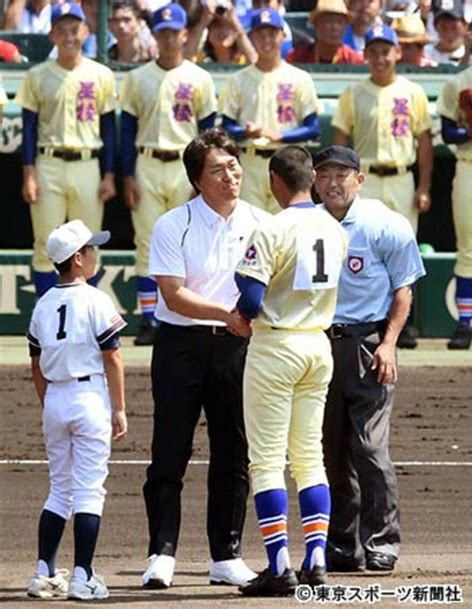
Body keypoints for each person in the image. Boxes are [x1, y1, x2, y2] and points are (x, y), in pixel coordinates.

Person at [142, 128, 268, 590]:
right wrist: (225, 314)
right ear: (197, 179)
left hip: (237, 348)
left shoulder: (259, 221)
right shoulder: (173, 223)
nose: (230, 175)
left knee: (234, 450)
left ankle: (226, 554)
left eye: (234, 165)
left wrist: (241, 322)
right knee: (170, 450)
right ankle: (161, 552)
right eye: (217, 170)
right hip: (181, 345)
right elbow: (173, 296)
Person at [233, 146, 347, 597]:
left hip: (276, 344)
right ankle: (316, 557)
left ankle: (279, 564)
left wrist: (241, 314)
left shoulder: (271, 225)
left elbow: (249, 299)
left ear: (275, 181)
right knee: (309, 458)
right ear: (313, 180)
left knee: (266, 462)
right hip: (318, 343)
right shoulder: (334, 228)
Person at [313, 145, 425, 574]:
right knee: (331, 449)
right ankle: (343, 542)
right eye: (324, 174)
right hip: (319, 344)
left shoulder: (385, 223)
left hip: (368, 343)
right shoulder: (306, 223)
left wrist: (390, 342)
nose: (333, 182)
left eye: (342, 174)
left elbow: (404, 289)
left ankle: (382, 540)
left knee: (369, 446)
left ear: (359, 180)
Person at [26, 219, 127, 601]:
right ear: (79, 259)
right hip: (89, 399)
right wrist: (119, 407)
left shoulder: (43, 305)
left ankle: (44, 572)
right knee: (88, 492)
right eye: (91, 249)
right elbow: (113, 356)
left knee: (59, 490)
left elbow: (35, 365)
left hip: (55, 398)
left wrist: (50, 403)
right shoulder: (97, 299)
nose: (95, 253)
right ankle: (83, 576)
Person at [120, 2, 217, 345]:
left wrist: (202, 177)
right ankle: (150, 319)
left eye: (174, 32)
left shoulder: (200, 78)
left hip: (184, 164)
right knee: (146, 241)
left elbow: (208, 135)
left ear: (185, 34)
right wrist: (127, 175)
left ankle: (184, 314)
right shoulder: (136, 77)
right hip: (147, 161)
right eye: (162, 32)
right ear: (155, 36)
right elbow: (127, 130)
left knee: (188, 242)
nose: (169, 38)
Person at [332, 24, 432, 349]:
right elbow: (340, 141)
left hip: (402, 175)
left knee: (403, 250)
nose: (380, 57)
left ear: (398, 52)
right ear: (365, 55)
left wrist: (425, 186)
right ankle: (365, 318)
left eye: (385, 50)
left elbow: (425, 142)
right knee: (358, 248)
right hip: (365, 178)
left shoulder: (412, 91)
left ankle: (403, 324)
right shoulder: (353, 92)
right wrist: (339, 181)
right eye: (373, 51)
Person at [14, 2, 118, 299]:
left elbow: (109, 128)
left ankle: (87, 312)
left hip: (88, 162)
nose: (69, 36)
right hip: (49, 162)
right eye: (62, 30)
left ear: (86, 31)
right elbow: (29, 128)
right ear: (52, 35)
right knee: (46, 242)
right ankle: (48, 311)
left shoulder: (101, 74)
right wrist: (29, 174)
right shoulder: (37, 75)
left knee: (88, 242)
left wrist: (109, 174)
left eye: (75, 29)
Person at [219, 8, 323, 214]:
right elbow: (226, 128)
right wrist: (245, 133)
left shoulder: (300, 78)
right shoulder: (237, 79)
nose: (267, 39)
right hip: (251, 160)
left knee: (287, 229)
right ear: (252, 36)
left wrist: (279, 135)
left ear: (283, 35)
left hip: (288, 161)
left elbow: (313, 128)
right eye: (261, 33)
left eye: (272, 33)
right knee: (252, 231)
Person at [437, 66, 472, 349]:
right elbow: (448, 133)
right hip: (469, 166)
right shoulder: (459, 82)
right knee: (469, 247)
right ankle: (465, 322)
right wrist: (470, 129)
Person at [287, 0, 364, 65]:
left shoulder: (354, 60)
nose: (334, 27)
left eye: (340, 22)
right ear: (316, 25)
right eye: (328, 21)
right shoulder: (297, 57)